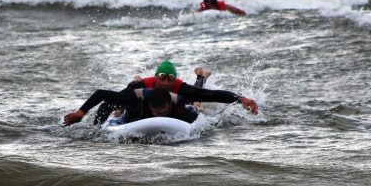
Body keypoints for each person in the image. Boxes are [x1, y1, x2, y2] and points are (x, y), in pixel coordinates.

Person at [63, 60, 258, 126]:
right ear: (155, 79)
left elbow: (214, 95)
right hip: (138, 91)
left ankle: (201, 75)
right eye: (161, 78)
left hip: (178, 101)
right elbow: (104, 98)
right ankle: (135, 79)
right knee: (116, 106)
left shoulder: (180, 89)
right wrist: (83, 114)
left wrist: (241, 99)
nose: (165, 83)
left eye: (169, 79)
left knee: (199, 99)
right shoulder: (139, 90)